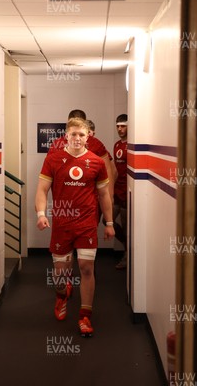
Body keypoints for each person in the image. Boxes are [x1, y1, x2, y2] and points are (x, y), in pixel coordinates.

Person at [35, 117, 115, 337]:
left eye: (82, 134)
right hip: (62, 223)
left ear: (88, 136)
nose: (77, 138)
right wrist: (41, 214)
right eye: (73, 134)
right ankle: (62, 297)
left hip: (87, 223)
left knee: (87, 267)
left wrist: (109, 223)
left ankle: (85, 316)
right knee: (61, 274)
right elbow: (42, 190)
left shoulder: (97, 163)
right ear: (66, 136)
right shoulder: (53, 159)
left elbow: (103, 195)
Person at [48, 110, 117, 202]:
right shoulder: (57, 144)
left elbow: (108, 169)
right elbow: (48, 172)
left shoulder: (95, 143)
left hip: (90, 199)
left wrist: (109, 195)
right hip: (64, 200)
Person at [112, 114, 128, 269]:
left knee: (125, 225)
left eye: (122, 126)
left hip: (126, 192)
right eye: (117, 126)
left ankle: (127, 255)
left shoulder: (132, 145)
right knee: (107, 220)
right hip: (116, 190)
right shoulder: (117, 145)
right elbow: (115, 170)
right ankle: (126, 245)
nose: (120, 129)